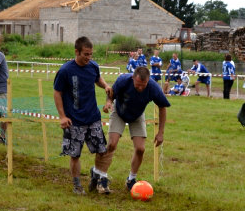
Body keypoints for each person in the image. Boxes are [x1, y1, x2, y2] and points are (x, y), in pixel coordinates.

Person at [53, 36, 113, 195]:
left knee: (102, 150)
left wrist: (105, 85)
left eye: (90, 54)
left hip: (93, 117)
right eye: (85, 54)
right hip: (74, 120)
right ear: (76, 52)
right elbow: (57, 92)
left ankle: (97, 175)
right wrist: (62, 116)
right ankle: (77, 184)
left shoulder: (92, 66)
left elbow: (97, 78)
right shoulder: (65, 70)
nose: (88, 57)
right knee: (75, 154)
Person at [103, 66, 170, 191]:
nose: (140, 88)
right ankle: (102, 176)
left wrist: (161, 132)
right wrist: (108, 102)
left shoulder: (153, 87)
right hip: (119, 111)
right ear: (133, 78)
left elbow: (162, 107)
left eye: (143, 85)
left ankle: (131, 179)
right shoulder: (123, 80)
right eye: (138, 84)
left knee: (140, 149)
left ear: (148, 80)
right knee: (112, 144)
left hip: (137, 115)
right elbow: (111, 94)